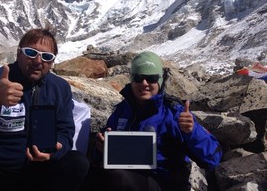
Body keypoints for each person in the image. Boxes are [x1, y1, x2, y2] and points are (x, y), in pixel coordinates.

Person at [0, 28, 89, 191]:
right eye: (31, 52)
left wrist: (54, 149)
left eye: (46, 57)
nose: (38, 61)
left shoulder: (59, 88)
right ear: (18, 54)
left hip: (37, 169)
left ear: (52, 62)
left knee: (77, 162)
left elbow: (65, 130)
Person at [81, 51, 222, 191]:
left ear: (160, 81)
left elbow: (212, 158)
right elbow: (101, 156)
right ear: (131, 80)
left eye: (151, 78)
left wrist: (191, 132)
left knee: (120, 179)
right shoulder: (122, 110)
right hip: (125, 176)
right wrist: (101, 148)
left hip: (165, 182)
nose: (144, 83)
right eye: (138, 77)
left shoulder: (175, 113)